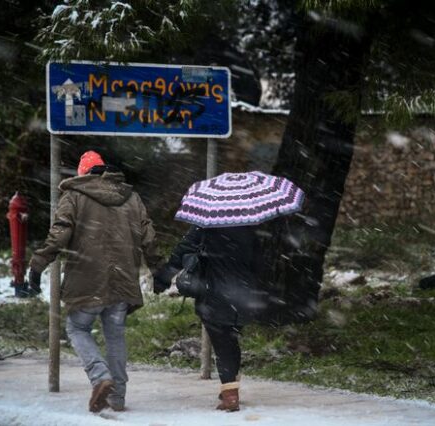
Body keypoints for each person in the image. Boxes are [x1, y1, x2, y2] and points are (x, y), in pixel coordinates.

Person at [28, 150, 160, 413]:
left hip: (87, 278)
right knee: (115, 335)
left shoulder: (74, 196)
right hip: (123, 278)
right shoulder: (131, 197)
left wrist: (37, 265)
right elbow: (149, 236)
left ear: (83, 173)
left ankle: (100, 377)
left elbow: (59, 235)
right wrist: (158, 269)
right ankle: (118, 396)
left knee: (77, 328)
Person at [154, 225, 267, 412]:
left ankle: (230, 395)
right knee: (230, 340)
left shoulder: (205, 226)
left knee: (223, 343)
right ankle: (230, 388)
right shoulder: (248, 228)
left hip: (214, 293)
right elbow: (259, 263)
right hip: (242, 294)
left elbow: (181, 251)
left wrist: (163, 278)